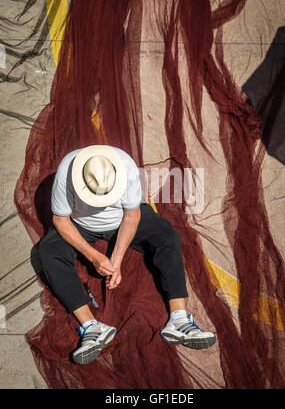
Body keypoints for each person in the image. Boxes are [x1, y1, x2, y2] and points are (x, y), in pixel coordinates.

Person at [39, 145, 216, 365]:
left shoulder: (127, 166)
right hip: (80, 224)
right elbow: (60, 220)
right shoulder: (67, 171)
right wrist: (94, 256)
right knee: (48, 252)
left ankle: (179, 320)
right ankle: (92, 328)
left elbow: (132, 216)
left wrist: (117, 259)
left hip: (121, 220)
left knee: (167, 236)